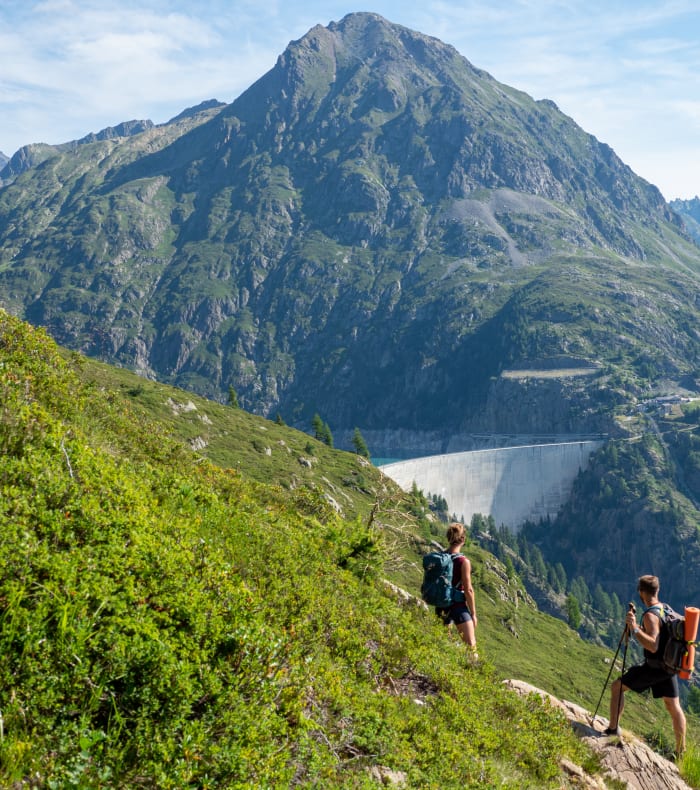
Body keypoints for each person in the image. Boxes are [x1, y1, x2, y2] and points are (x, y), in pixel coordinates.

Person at [607, 574, 686, 756]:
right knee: (674, 707)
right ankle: (681, 752)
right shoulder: (665, 609)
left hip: (654, 668)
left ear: (641, 592)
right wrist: (638, 628)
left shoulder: (650, 615)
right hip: (669, 667)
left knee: (617, 687)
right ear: (657, 590)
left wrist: (635, 628)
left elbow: (652, 644)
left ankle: (613, 729)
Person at [436, 522, 478, 663]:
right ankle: (474, 677)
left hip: (441, 605)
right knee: (471, 646)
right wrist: (473, 613)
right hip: (458, 607)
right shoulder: (463, 561)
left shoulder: (440, 558)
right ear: (463, 539)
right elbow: (468, 590)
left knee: (442, 646)